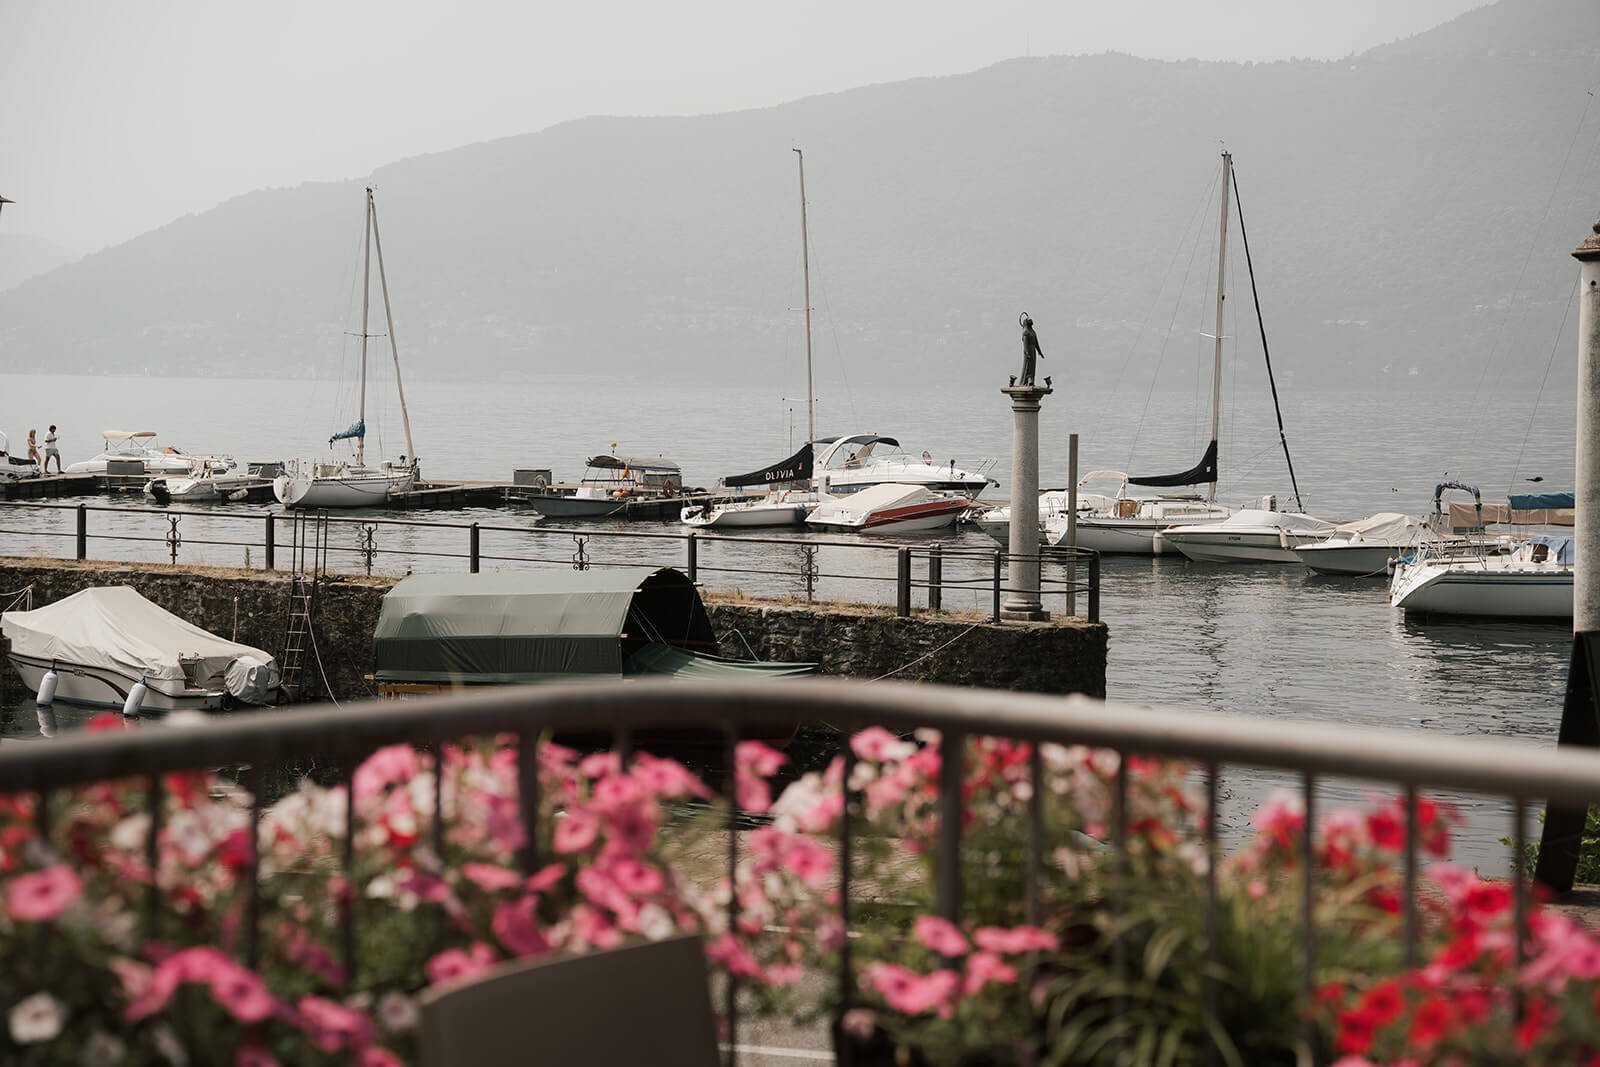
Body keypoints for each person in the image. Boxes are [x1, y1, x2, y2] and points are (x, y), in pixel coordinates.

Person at [1018, 314, 1045, 386]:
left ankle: (1031, 379)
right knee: (1028, 365)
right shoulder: (1026, 332)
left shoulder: (1033, 332)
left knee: (1033, 366)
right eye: (1029, 320)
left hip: (1033, 350)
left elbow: (1036, 343)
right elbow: (1025, 344)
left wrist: (1040, 352)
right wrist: (1026, 352)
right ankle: (1026, 380)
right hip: (1029, 350)